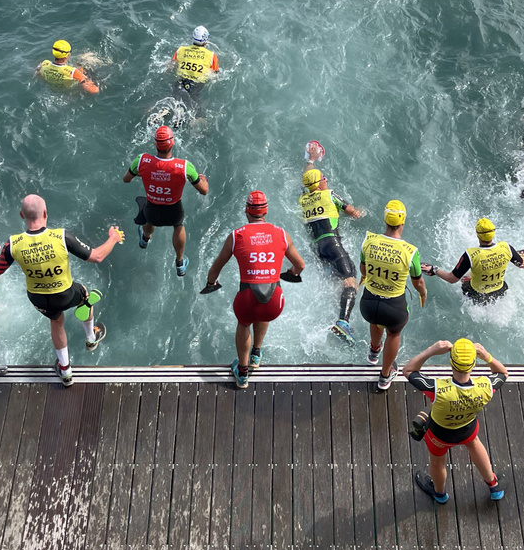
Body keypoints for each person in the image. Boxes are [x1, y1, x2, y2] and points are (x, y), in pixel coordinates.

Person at [0, 194, 123, 386]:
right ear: (45, 212)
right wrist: (113, 238)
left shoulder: (13, 243)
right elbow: (97, 256)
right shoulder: (61, 236)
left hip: (39, 299)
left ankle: (66, 371)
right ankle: (91, 339)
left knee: (56, 321)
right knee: (84, 294)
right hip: (66, 294)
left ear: (21, 215)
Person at [201, 191, 307, 389]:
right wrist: (290, 273)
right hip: (275, 302)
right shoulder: (282, 234)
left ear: (246, 211)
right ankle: (256, 355)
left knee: (244, 322)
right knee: (264, 308)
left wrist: (211, 283)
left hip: (247, 300)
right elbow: (300, 265)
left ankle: (242, 373)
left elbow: (216, 266)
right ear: (266, 211)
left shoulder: (236, 235)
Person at [406, 338, 508, 503]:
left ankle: (439, 494)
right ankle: (493, 486)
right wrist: (487, 356)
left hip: (439, 435)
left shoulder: (437, 388)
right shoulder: (485, 386)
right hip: (468, 429)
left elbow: (408, 370)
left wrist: (431, 350)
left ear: (451, 363)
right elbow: (503, 373)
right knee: (474, 444)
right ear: (474, 364)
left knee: (437, 462)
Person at [359, 199, 426, 391]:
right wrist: (423, 293)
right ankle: (385, 375)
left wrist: (366, 278)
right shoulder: (410, 251)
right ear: (402, 223)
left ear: (385, 220)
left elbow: (363, 269)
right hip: (393, 308)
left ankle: (373, 351)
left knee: (375, 321)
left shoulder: (369, 240)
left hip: (368, 305)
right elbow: (418, 282)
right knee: (393, 332)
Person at [124, 125, 208, 277]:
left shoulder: (141, 160)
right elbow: (204, 190)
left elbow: (126, 179)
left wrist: (147, 173)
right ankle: (180, 263)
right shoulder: (184, 167)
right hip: (173, 209)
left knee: (148, 215)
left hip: (152, 209)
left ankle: (144, 240)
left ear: (156, 144)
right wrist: (202, 179)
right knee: (178, 225)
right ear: (172, 143)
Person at [299, 166, 364, 340]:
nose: (326, 180)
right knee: (350, 281)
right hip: (332, 244)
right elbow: (353, 213)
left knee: (337, 282)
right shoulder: (329, 194)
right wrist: (362, 212)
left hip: (317, 249)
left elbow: (305, 182)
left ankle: (334, 320)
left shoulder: (303, 199)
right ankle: (343, 322)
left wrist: (310, 161)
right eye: (324, 178)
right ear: (320, 184)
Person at [423, 217, 524, 304]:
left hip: (477, 295)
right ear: (493, 233)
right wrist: (522, 257)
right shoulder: (506, 248)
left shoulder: (471, 255)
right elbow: (523, 265)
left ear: (477, 234)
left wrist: (435, 269)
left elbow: (452, 279)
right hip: (500, 292)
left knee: (464, 278)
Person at [171, 25, 220, 99]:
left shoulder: (180, 50)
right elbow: (215, 75)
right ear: (206, 41)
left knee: (173, 98)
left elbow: (171, 67)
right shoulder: (212, 55)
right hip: (196, 84)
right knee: (192, 104)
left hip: (180, 81)